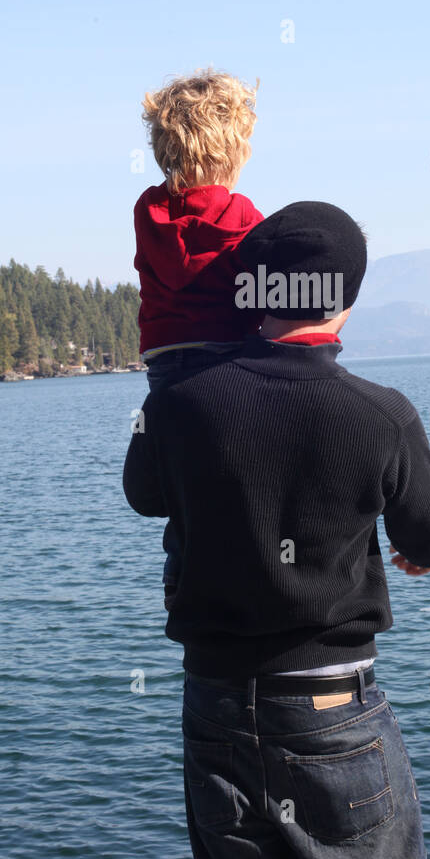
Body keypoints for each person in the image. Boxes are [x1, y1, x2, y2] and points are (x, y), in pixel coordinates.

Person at [123, 202, 430, 859]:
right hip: (336, 709)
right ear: (345, 299)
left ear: (255, 291)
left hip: (215, 702)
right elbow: (429, 539)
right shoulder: (382, 414)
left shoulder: (177, 403)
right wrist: (409, 551)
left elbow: (145, 496)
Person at [133, 67, 264, 600]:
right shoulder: (244, 215)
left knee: (187, 486)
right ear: (234, 150)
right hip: (231, 361)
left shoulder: (148, 211)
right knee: (242, 478)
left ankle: (180, 582)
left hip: (168, 369)